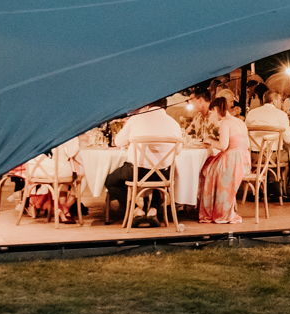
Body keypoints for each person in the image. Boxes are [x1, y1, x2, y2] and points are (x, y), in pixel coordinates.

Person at [106, 104, 184, 223]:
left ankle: (136, 209)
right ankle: (153, 210)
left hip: (137, 172)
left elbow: (118, 142)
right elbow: (177, 151)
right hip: (163, 174)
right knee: (160, 176)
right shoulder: (174, 123)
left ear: (148, 105)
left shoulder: (136, 119)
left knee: (111, 181)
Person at [197, 96, 251, 225]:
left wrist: (209, 141)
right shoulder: (239, 121)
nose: (211, 116)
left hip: (233, 159)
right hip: (244, 158)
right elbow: (247, 143)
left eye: (212, 112)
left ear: (215, 109)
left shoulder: (225, 122)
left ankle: (214, 210)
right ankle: (215, 207)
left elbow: (223, 146)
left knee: (207, 169)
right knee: (210, 165)